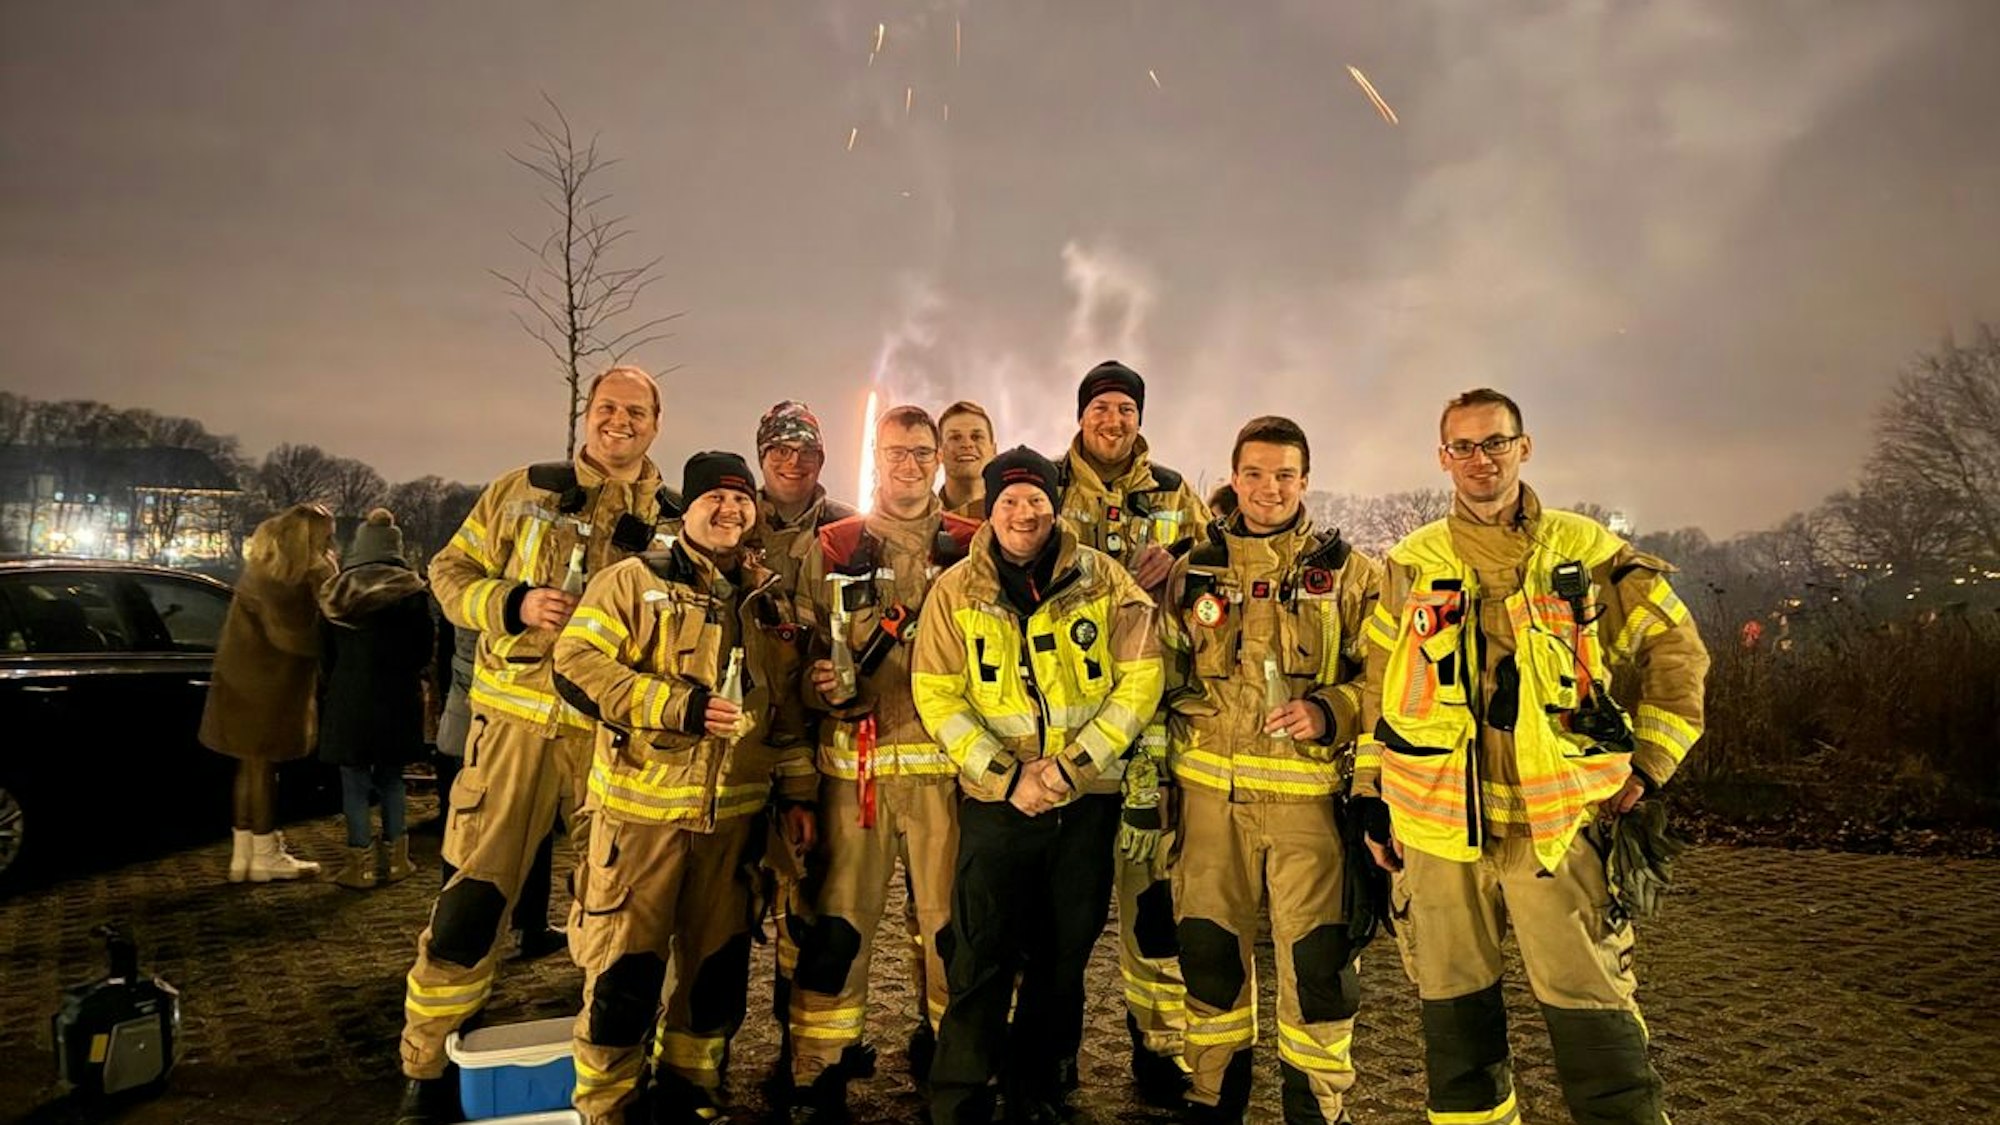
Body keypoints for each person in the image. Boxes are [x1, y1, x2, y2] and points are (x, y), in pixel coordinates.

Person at [1355, 388, 1710, 1125]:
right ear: (1442, 457)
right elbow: (1375, 688)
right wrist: (1371, 794)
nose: (1480, 459)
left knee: (1596, 1023)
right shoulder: (1410, 562)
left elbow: (1677, 650)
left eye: (1495, 442)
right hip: (1437, 833)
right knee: (1457, 1038)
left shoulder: (1588, 551)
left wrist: (1647, 763)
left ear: (1525, 446)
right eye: (1464, 446)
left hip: (1560, 830)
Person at [396, 366, 677, 1124]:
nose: (619, 422)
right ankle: (426, 1065)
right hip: (514, 731)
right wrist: (512, 602)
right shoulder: (521, 490)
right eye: (607, 408)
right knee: (471, 903)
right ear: (588, 415)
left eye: (636, 412)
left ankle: (605, 1082)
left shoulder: (675, 522)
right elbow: (448, 571)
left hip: (613, 747)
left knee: (614, 916)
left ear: (657, 423)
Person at [554, 451, 819, 1125]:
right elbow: (574, 664)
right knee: (623, 982)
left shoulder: (770, 600)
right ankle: (606, 1108)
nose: (729, 509)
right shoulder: (632, 580)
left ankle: (689, 1098)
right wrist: (678, 707)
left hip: (733, 831)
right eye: (713, 498)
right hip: (639, 827)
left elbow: (787, 709)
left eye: (740, 500)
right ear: (688, 507)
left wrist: (797, 796)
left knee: (715, 980)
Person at [913, 445, 1164, 1124]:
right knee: (980, 954)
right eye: (1008, 502)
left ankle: (1039, 1090)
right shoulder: (954, 591)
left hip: (1084, 803)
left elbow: (1141, 680)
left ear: (1056, 506)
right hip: (999, 804)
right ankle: (961, 1094)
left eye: (1036, 501)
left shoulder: (1106, 580)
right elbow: (937, 694)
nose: (1024, 514)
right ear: (989, 512)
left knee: (1063, 958)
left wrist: (1072, 767)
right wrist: (1005, 776)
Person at [1159, 417, 1381, 1124]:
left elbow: (1383, 681)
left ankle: (1316, 1106)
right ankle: (1211, 1091)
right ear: (1233, 477)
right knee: (1208, 952)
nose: (1269, 488)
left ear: (1306, 480)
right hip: (1207, 802)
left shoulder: (1351, 572)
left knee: (1318, 967)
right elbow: (1152, 676)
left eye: (1285, 473)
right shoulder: (1188, 569)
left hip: (1307, 805)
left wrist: (1331, 709)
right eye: (1254, 473)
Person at [785, 405, 980, 1120]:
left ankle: (952, 1061)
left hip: (944, 780)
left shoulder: (971, 545)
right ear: (876, 459)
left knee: (950, 930)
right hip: (853, 776)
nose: (908, 463)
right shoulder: (832, 545)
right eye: (894, 451)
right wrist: (821, 685)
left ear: (937, 461)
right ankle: (821, 1069)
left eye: (920, 452)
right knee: (836, 926)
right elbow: (798, 659)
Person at [1054, 360, 1211, 1102]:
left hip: (1152, 725)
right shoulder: (1048, 487)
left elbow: (1217, 585)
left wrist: (1179, 571)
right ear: (1080, 415)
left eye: (1125, 409)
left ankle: (1161, 1051)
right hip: (1068, 725)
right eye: (1100, 408)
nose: (1112, 421)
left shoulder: (1176, 493)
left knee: (1153, 906)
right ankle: (1053, 1051)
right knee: (1062, 910)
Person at [742, 399, 858, 1089]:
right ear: (761, 456)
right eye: (779, 450)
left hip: (817, 742)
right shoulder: (727, 514)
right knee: (727, 902)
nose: (793, 461)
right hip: (739, 737)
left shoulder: (848, 529)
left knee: (810, 901)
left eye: (805, 450)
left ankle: (804, 1048)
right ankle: (701, 1054)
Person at [201, 501, 336, 884]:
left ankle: (244, 855)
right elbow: (294, 638)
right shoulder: (289, 580)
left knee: (248, 768)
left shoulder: (262, 570)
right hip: (269, 686)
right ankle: (264, 854)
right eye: (326, 536)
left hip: (241, 680)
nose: (330, 543)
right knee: (262, 768)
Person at [317, 507, 433, 889]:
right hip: (396, 697)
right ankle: (398, 860)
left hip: (348, 698)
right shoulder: (412, 593)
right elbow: (422, 651)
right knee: (392, 780)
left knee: (352, 783)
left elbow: (325, 655)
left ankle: (360, 864)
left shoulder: (335, 594)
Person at [937, 400, 997, 519]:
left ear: (994, 451)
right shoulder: (917, 521)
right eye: (955, 437)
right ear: (939, 452)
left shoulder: (1015, 520)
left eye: (976, 437)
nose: (967, 444)